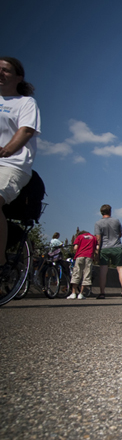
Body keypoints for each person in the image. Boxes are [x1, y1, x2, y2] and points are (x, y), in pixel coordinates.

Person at [0, 57, 40, 277]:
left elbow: (25, 131)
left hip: (10, 164)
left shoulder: (25, 103)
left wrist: (6, 150)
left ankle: (0, 263)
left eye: (5, 70)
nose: (0, 73)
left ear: (18, 77)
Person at [94, 204, 122, 299]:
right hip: (116, 247)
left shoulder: (98, 223)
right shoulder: (116, 221)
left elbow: (98, 238)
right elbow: (120, 234)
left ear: (101, 212)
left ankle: (102, 292)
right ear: (110, 211)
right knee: (120, 268)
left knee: (103, 269)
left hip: (104, 248)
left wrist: (97, 251)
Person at [68, 230, 97, 299]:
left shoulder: (79, 237)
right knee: (86, 274)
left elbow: (75, 247)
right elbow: (97, 248)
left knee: (76, 273)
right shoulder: (93, 237)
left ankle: (73, 293)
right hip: (89, 256)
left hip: (80, 256)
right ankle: (81, 293)